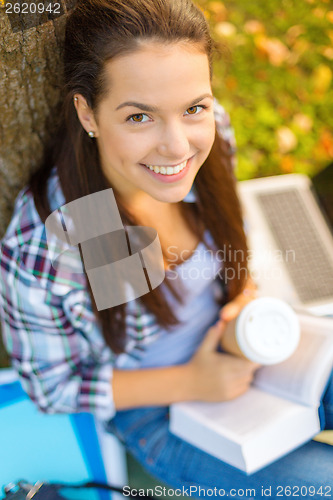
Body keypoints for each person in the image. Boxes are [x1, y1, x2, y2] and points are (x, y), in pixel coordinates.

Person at [0, 0, 331, 497]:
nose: (177, 147)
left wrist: (244, 295)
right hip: (160, 409)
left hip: (249, 341)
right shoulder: (53, 242)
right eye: (139, 117)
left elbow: (229, 239)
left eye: (192, 107)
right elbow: (53, 388)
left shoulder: (212, 129)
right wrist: (196, 382)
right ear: (87, 112)